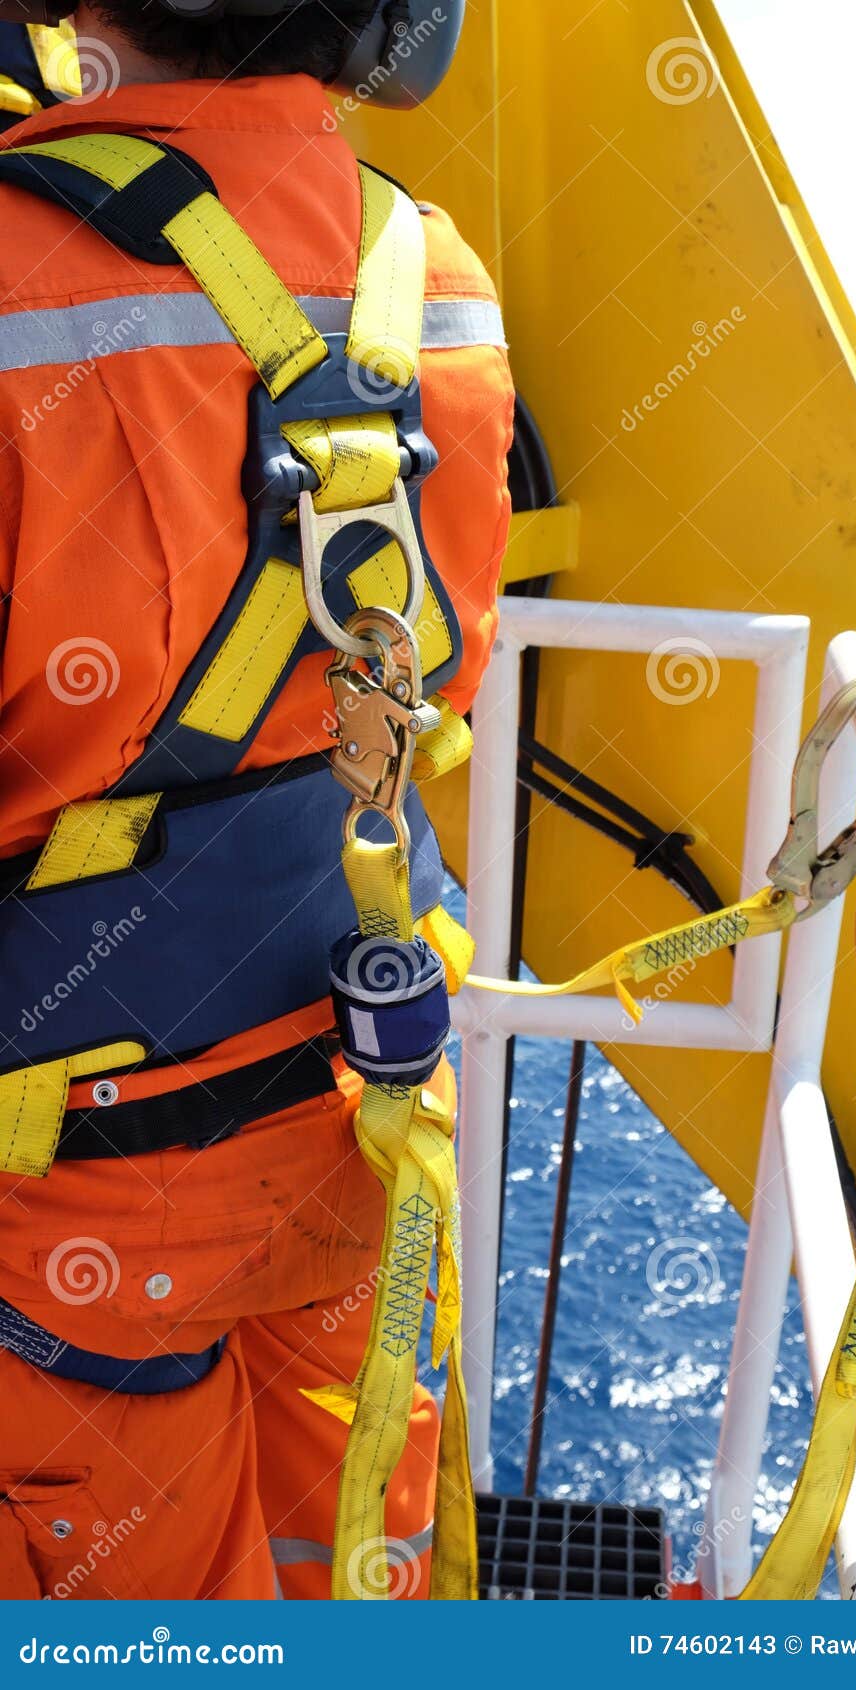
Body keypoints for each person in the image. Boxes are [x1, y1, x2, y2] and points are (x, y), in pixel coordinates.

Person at [0, 0, 513, 1600]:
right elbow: (448, 665)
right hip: (360, 1107)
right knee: (351, 1545)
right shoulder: (433, 273)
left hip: (82, 1172)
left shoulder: (20, 266)